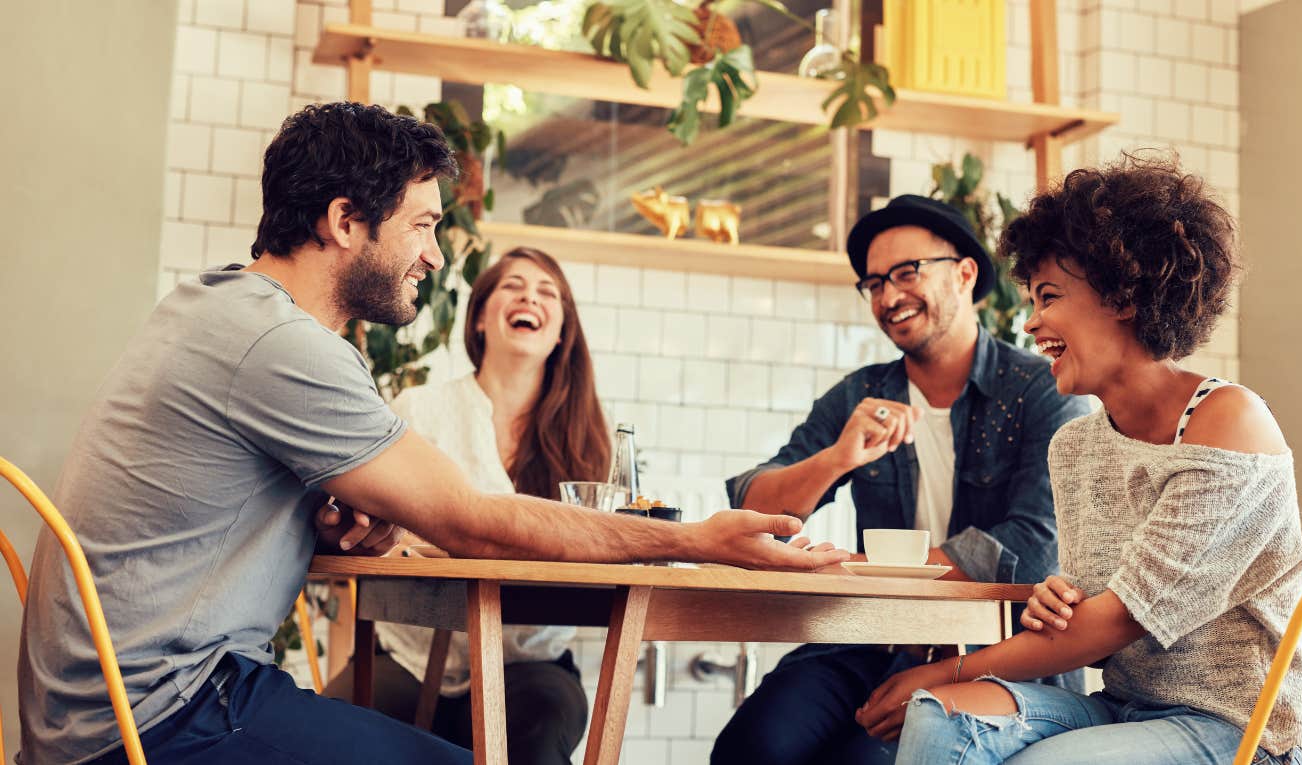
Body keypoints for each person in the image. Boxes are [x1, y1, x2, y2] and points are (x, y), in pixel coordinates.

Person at [16, 102, 847, 765]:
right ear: (346, 220)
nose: (436, 258)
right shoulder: (283, 344)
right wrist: (699, 538)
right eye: (421, 226)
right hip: (162, 714)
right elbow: (469, 516)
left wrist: (330, 516)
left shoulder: (219, 309)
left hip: (104, 704)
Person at [880, 154, 1302, 765]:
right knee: (941, 716)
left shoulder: (1229, 423)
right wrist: (1057, 604)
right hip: (1122, 705)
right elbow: (1095, 632)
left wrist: (944, 669)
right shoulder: (1077, 444)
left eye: (1049, 296)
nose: (1031, 322)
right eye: (1030, 300)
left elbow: (1116, 623)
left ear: (1125, 293)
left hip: (1236, 728)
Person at [711, 195, 1090, 765]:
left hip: (997, 651)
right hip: (867, 635)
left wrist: (875, 571)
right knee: (750, 747)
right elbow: (755, 506)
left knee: (864, 761)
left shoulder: (1041, 391)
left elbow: (1037, 545)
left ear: (964, 275)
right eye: (873, 284)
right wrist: (837, 458)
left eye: (907, 273)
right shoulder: (862, 395)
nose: (888, 297)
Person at [324, 247, 605, 763]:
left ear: (563, 331)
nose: (529, 298)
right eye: (513, 286)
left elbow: (601, 547)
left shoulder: (586, 441)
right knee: (327, 734)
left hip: (530, 663)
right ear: (478, 317)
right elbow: (379, 530)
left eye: (548, 293)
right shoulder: (419, 409)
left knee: (541, 734)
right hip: (409, 654)